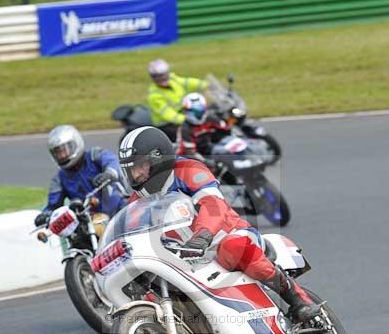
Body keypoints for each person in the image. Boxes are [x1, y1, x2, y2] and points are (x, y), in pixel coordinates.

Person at [117, 126, 319, 324]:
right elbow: (131, 233)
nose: (136, 175)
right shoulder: (136, 200)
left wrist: (202, 235)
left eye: (140, 166)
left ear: (158, 158)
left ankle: (297, 298)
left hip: (225, 235)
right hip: (185, 256)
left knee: (233, 248)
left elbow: (214, 205)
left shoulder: (188, 170)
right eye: (131, 170)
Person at [33, 125, 126, 228]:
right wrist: (45, 215)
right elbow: (53, 205)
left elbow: (113, 162)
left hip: (119, 211)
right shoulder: (59, 179)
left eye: (65, 150)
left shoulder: (94, 155)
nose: (63, 155)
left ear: (76, 143)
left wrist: (108, 174)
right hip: (89, 223)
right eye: (58, 153)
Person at [147, 59, 209, 141]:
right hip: (167, 125)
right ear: (153, 78)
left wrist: (206, 85)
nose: (162, 78)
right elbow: (170, 115)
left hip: (182, 114)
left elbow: (188, 82)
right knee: (193, 134)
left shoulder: (173, 79)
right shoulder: (154, 96)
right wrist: (189, 120)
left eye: (163, 74)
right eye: (157, 76)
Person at [176, 92, 230, 157]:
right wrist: (208, 162)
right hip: (187, 158)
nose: (199, 114)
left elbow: (226, 128)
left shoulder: (209, 118)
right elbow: (190, 152)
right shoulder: (185, 128)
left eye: (200, 111)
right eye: (195, 111)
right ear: (186, 110)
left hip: (206, 150)